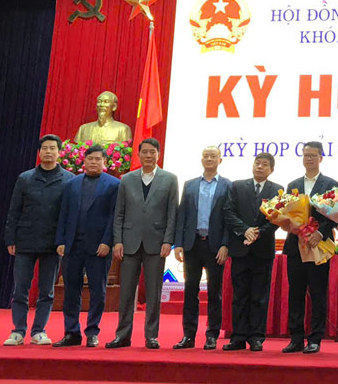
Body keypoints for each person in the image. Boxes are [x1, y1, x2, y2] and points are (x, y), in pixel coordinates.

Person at [106, 138, 178, 349]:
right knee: (126, 292)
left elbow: (172, 213)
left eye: (152, 152)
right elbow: (119, 213)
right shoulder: (126, 179)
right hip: (129, 242)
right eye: (145, 152)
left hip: (157, 243)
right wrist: (118, 241)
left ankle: (151, 336)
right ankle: (122, 335)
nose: (148, 155)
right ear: (138, 155)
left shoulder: (170, 179)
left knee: (154, 293)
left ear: (158, 154)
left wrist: (168, 241)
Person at [3, 134, 75, 346]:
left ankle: (39, 331)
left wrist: (65, 241)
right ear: (39, 152)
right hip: (25, 240)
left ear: (59, 152)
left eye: (52, 148)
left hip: (53, 243)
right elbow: (14, 211)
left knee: (47, 291)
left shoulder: (69, 180)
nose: (48, 152)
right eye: (45, 148)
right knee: (20, 289)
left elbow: (70, 215)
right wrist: (10, 238)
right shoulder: (25, 178)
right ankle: (18, 331)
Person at [53, 145, 120, 348]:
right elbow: (63, 214)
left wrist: (107, 242)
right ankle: (71, 332)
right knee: (71, 290)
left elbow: (114, 216)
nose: (93, 162)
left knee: (97, 290)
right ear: (84, 161)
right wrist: (60, 241)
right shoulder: (72, 184)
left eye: (98, 159)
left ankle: (92, 331)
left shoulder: (114, 185)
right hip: (72, 245)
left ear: (105, 162)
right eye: (90, 159)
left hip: (99, 247)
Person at [222, 153, 284, 351]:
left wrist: (257, 233)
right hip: (240, 249)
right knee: (239, 296)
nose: (260, 167)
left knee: (259, 296)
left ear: (271, 170)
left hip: (262, 250)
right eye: (257, 163)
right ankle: (238, 337)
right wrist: (245, 230)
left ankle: (257, 337)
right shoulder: (238, 186)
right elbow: (228, 212)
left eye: (265, 165)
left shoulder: (277, 190)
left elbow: (277, 219)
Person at [282, 141, 338, 354]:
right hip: (295, 246)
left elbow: (335, 214)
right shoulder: (293, 184)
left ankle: (315, 338)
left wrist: (320, 232)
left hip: (318, 245)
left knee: (318, 293)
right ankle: (295, 338)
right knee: (295, 294)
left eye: (313, 155)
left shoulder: (330, 184)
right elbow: (286, 212)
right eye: (306, 155)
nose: (309, 159)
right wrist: (290, 226)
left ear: (321, 158)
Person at [172, 146, 232, 350]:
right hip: (192, 244)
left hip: (215, 246)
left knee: (215, 292)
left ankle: (212, 335)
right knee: (190, 291)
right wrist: (178, 244)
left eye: (213, 156)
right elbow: (182, 215)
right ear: (201, 159)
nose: (209, 159)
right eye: (206, 156)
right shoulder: (189, 185)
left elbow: (229, 219)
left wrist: (225, 244)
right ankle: (188, 336)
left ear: (220, 160)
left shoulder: (227, 186)